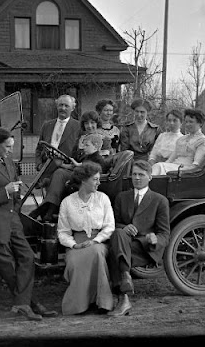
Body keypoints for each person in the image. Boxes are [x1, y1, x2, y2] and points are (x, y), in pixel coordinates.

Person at [0, 127, 58, 320]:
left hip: (11, 219)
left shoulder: (7, 161)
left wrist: (15, 204)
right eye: (7, 146)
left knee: (27, 257)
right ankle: (29, 304)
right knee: (9, 267)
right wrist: (6, 191)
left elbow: (15, 186)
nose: (10, 150)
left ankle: (23, 303)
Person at [107, 159, 170, 317]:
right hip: (124, 243)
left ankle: (123, 281)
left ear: (150, 177)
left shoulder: (159, 200)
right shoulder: (122, 197)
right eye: (134, 174)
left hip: (143, 248)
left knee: (115, 252)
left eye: (141, 175)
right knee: (119, 233)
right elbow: (113, 223)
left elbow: (165, 234)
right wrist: (124, 227)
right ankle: (125, 287)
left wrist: (155, 239)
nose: (137, 178)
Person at [57, 162, 115, 315]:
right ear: (84, 180)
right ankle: (78, 304)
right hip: (77, 243)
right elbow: (63, 232)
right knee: (75, 261)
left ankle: (102, 302)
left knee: (96, 252)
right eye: (95, 179)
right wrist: (74, 245)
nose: (99, 182)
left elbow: (109, 226)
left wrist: (96, 240)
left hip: (99, 241)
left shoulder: (102, 198)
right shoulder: (67, 202)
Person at [32, 132, 109, 222]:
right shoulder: (88, 157)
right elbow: (76, 166)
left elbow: (91, 169)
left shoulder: (97, 159)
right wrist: (62, 164)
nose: (84, 148)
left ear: (95, 147)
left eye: (87, 145)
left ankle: (48, 208)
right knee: (58, 173)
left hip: (82, 182)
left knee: (59, 173)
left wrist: (78, 165)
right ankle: (49, 208)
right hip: (77, 177)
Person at [151, 109, 205, 176]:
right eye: (186, 122)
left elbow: (196, 166)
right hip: (174, 167)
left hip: (186, 171)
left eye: (191, 122)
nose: (188, 124)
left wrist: (177, 171)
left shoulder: (202, 141)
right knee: (158, 167)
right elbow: (170, 160)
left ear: (200, 123)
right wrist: (165, 165)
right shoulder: (181, 139)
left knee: (159, 167)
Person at [35, 94, 80, 172]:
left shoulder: (78, 127)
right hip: (46, 169)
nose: (63, 108)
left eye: (66, 106)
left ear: (73, 108)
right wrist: (39, 165)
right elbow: (39, 148)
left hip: (67, 170)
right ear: (56, 106)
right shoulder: (47, 125)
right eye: (60, 105)